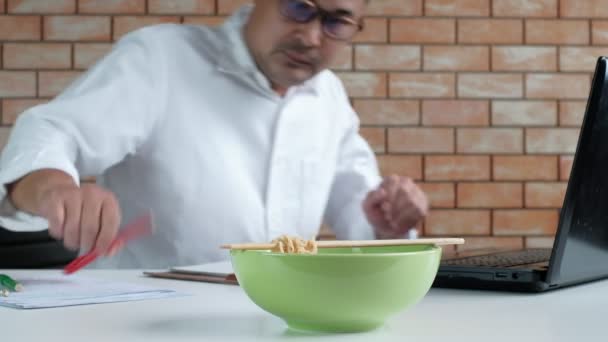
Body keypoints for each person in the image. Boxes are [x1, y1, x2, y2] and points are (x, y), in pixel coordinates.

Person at [0, 0, 428, 268]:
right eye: (298, 7)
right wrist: (54, 189)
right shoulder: (162, 59)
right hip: (138, 318)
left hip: (277, 322)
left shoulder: (329, 96)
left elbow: (361, 223)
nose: (311, 36)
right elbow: (51, 132)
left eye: (337, 22)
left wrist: (387, 222)